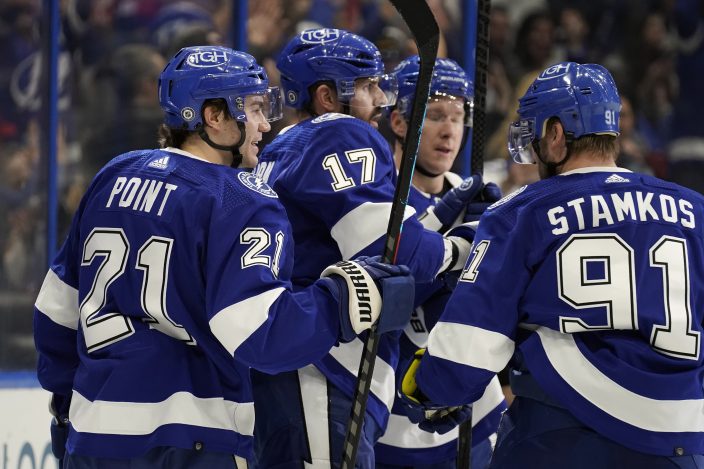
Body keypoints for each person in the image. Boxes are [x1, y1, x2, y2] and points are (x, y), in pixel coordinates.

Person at [33, 45, 415, 469]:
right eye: (252, 108)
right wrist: (345, 298)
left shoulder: (113, 176)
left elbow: (56, 312)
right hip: (194, 441)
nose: (263, 125)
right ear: (213, 116)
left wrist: (66, 401)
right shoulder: (239, 197)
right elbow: (260, 333)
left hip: (96, 437)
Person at [400, 61, 704, 468]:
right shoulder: (696, 209)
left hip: (565, 439)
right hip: (683, 441)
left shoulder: (522, 212)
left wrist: (429, 388)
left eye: (535, 136)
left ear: (556, 134)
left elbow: (468, 349)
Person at [250, 29, 483, 468]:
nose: (380, 98)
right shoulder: (341, 134)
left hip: (291, 366)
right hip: (323, 366)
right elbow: (392, 251)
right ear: (325, 96)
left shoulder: (280, 147)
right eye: (367, 86)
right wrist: (461, 248)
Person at [375, 55, 507, 469]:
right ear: (399, 122)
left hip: (475, 412)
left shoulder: (481, 202)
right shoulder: (377, 199)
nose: (450, 129)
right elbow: (384, 289)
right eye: (433, 115)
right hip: (391, 413)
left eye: (458, 115)